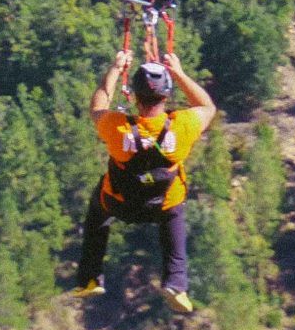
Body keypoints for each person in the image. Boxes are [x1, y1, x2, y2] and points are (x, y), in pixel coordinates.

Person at [69, 28, 217, 313]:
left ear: (134, 95)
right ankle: (177, 284)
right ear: (166, 95)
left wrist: (115, 69)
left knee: (97, 215)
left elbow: (97, 105)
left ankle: (90, 278)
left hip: (120, 202)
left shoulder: (117, 126)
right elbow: (207, 105)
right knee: (175, 215)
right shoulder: (183, 125)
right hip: (163, 204)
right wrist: (179, 73)